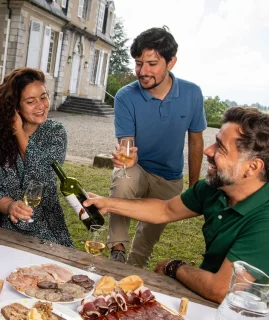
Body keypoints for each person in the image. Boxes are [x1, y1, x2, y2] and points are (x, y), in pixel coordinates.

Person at [85, 107, 269, 303]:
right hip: (199, 298)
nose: (207, 151)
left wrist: (174, 267)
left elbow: (222, 289)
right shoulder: (216, 188)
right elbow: (165, 209)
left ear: (253, 166)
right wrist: (108, 204)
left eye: (220, 148)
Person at [108, 26, 207, 267]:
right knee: (123, 178)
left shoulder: (192, 93)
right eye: (138, 63)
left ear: (171, 62)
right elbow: (127, 145)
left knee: (146, 242)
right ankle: (117, 250)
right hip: (138, 167)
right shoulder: (125, 96)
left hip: (170, 178)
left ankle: (132, 269)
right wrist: (127, 158)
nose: (143, 71)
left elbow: (195, 140)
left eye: (152, 64)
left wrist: (194, 186)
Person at [0, 68, 73, 247]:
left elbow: (44, 175)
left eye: (43, 97)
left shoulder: (55, 132)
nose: (41, 105)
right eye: (30, 101)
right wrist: (9, 205)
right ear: (15, 107)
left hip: (44, 229)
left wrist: (19, 132)